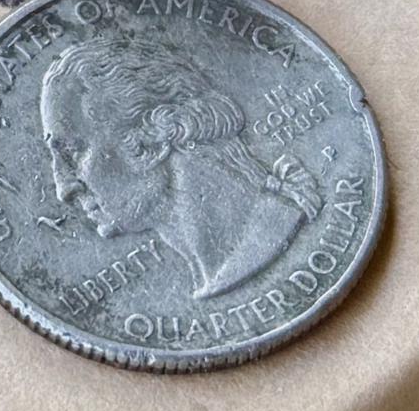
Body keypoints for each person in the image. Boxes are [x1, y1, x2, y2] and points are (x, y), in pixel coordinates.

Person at [39, 35, 324, 300]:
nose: (64, 188)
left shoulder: (271, 232)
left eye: (73, 151)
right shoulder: (218, 269)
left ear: (152, 139)